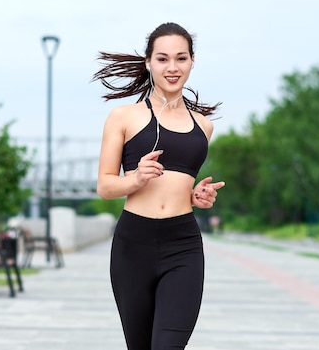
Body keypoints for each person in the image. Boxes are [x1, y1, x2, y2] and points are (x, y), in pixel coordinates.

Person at [92, 22, 225, 350]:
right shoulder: (123, 117)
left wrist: (196, 197)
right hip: (133, 245)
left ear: (192, 61)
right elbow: (105, 186)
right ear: (149, 62)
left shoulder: (203, 126)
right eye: (163, 59)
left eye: (181, 58)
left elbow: (180, 185)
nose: (172, 67)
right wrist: (135, 178)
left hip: (183, 245)